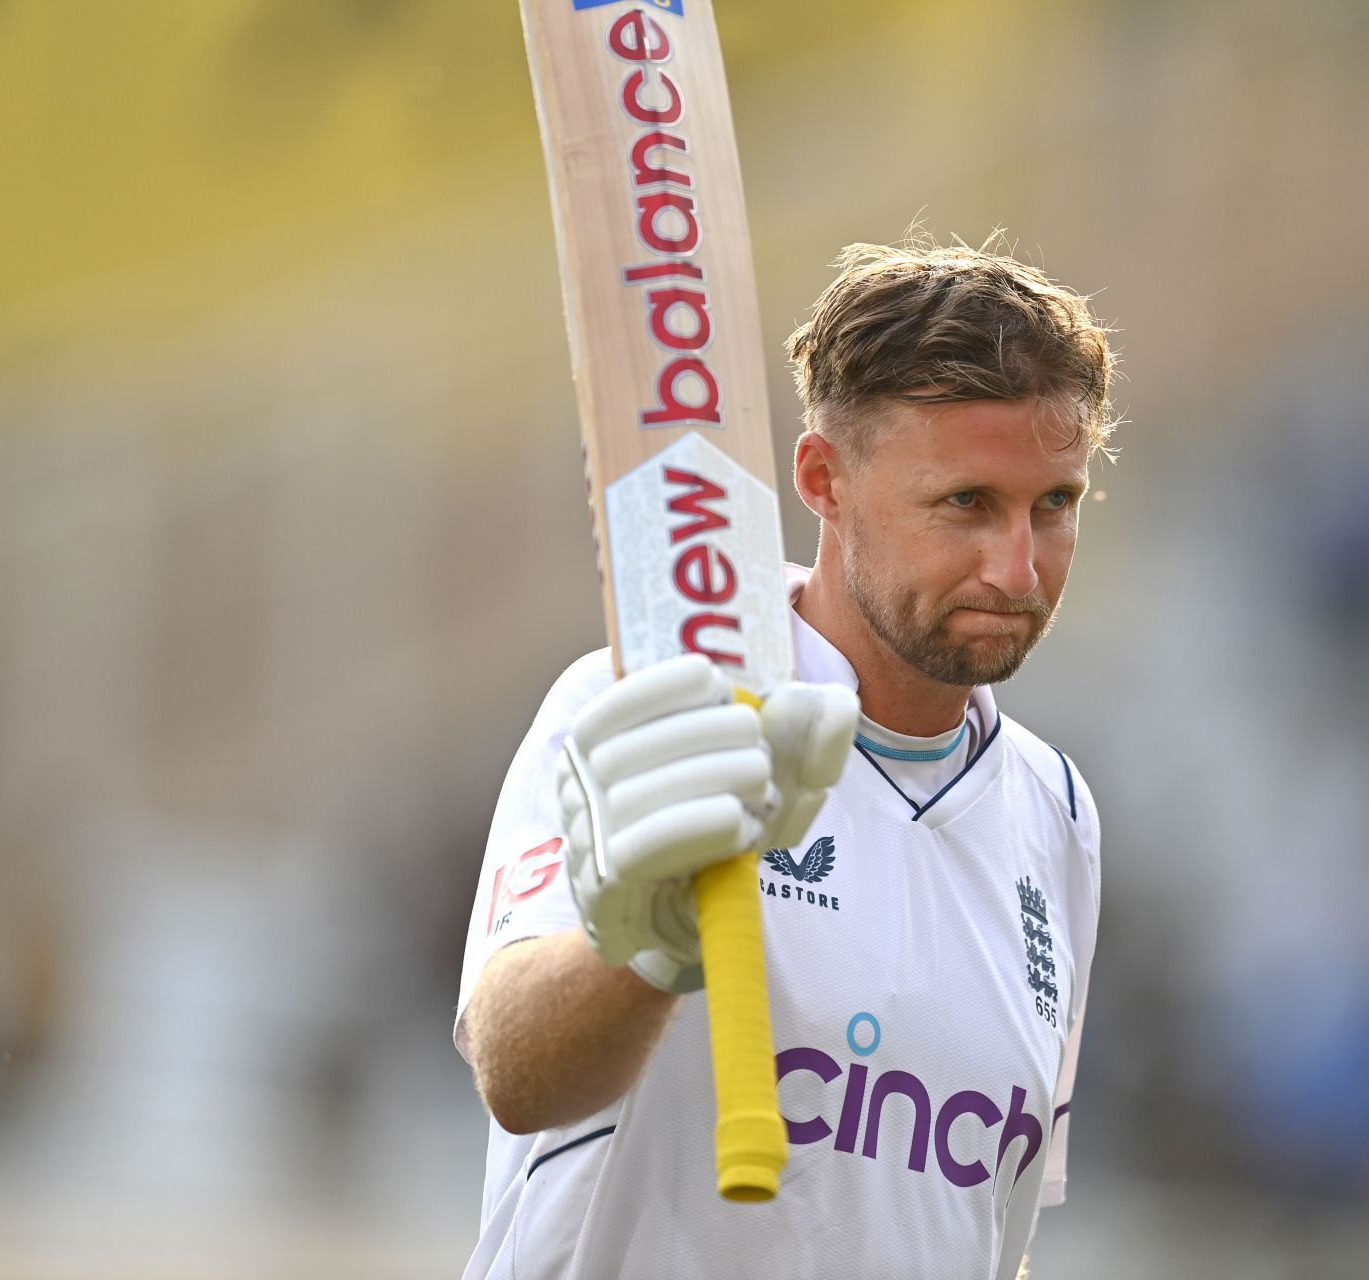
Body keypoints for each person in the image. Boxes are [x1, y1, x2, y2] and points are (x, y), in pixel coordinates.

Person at [453, 237, 1116, 1280]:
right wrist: (646, 947)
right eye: (966, 503)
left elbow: (988, 1228)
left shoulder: (1061, 816)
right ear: (825, 480)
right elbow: (514, 1067)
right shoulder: (649, 701)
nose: (1018, 566)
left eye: (1056, 504)